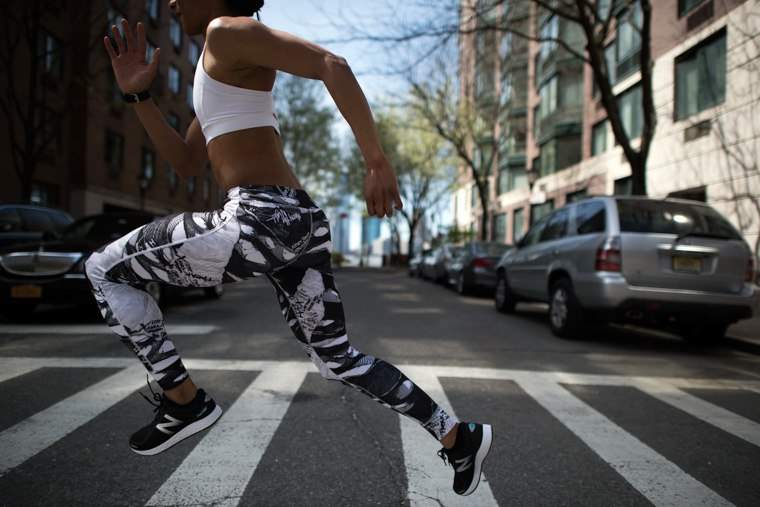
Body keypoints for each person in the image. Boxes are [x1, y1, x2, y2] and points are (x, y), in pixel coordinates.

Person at [86, 0, 492, 496]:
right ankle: (457, 436)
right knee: (336, 357)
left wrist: (376, 161)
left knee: (103, 268)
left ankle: (183, 400)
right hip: (297, 222)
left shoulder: (224, 31)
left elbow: (330, 64)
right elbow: (188, 161)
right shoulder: (216, 67)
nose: (171, 2)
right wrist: (139, 97)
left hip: (259, 217)